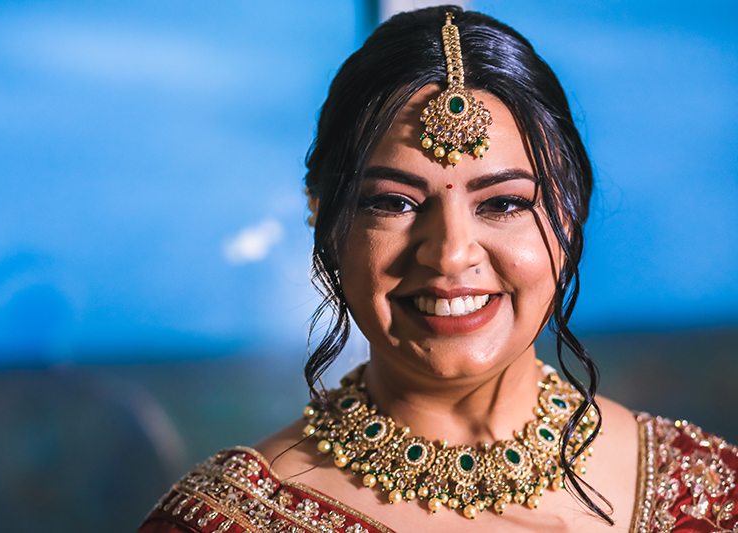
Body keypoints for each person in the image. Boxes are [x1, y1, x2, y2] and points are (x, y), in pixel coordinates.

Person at [138, 6, 738, 533]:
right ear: (325, 219)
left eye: (502, 204)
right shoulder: (227, 522)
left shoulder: (707, 493)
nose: (451, 255)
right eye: (394, 203)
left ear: (570, 214)